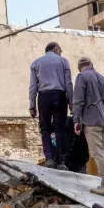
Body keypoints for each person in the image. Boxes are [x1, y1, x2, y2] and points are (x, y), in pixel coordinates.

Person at [73, 56, 104, 197]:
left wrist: (76, 120)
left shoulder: (81, 77)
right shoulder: (103, 79)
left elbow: (78, 101)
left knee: (98, 153)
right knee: (103, 152)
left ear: (80, 68)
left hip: (91, 121)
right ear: (92, 65)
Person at [29, 42, 74, 170]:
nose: (61, 53)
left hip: (43, 97)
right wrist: (71, 101)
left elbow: (33, 86)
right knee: (59, 128)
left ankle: (49, 158)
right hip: (60, 96)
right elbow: (68, 83)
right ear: (55, 49)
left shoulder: (36, 63)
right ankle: (60, 161)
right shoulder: (63, 62)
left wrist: (32, 105)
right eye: (60, 50)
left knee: (45, 128)